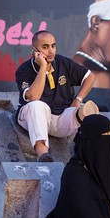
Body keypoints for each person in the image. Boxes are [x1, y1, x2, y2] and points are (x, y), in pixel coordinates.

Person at [16, 30, 98, 162]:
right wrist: (43, 67)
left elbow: (90, 77)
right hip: (33, 118)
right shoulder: (24, 70)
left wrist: (78, 99)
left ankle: (89, 159)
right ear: (34, 50)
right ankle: (43, 154)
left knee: (88, 111)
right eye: (45, 47)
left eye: (53, 46)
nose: (51, 51)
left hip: (61, 120)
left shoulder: (62, 62)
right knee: (36, 105)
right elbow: (33, 96)